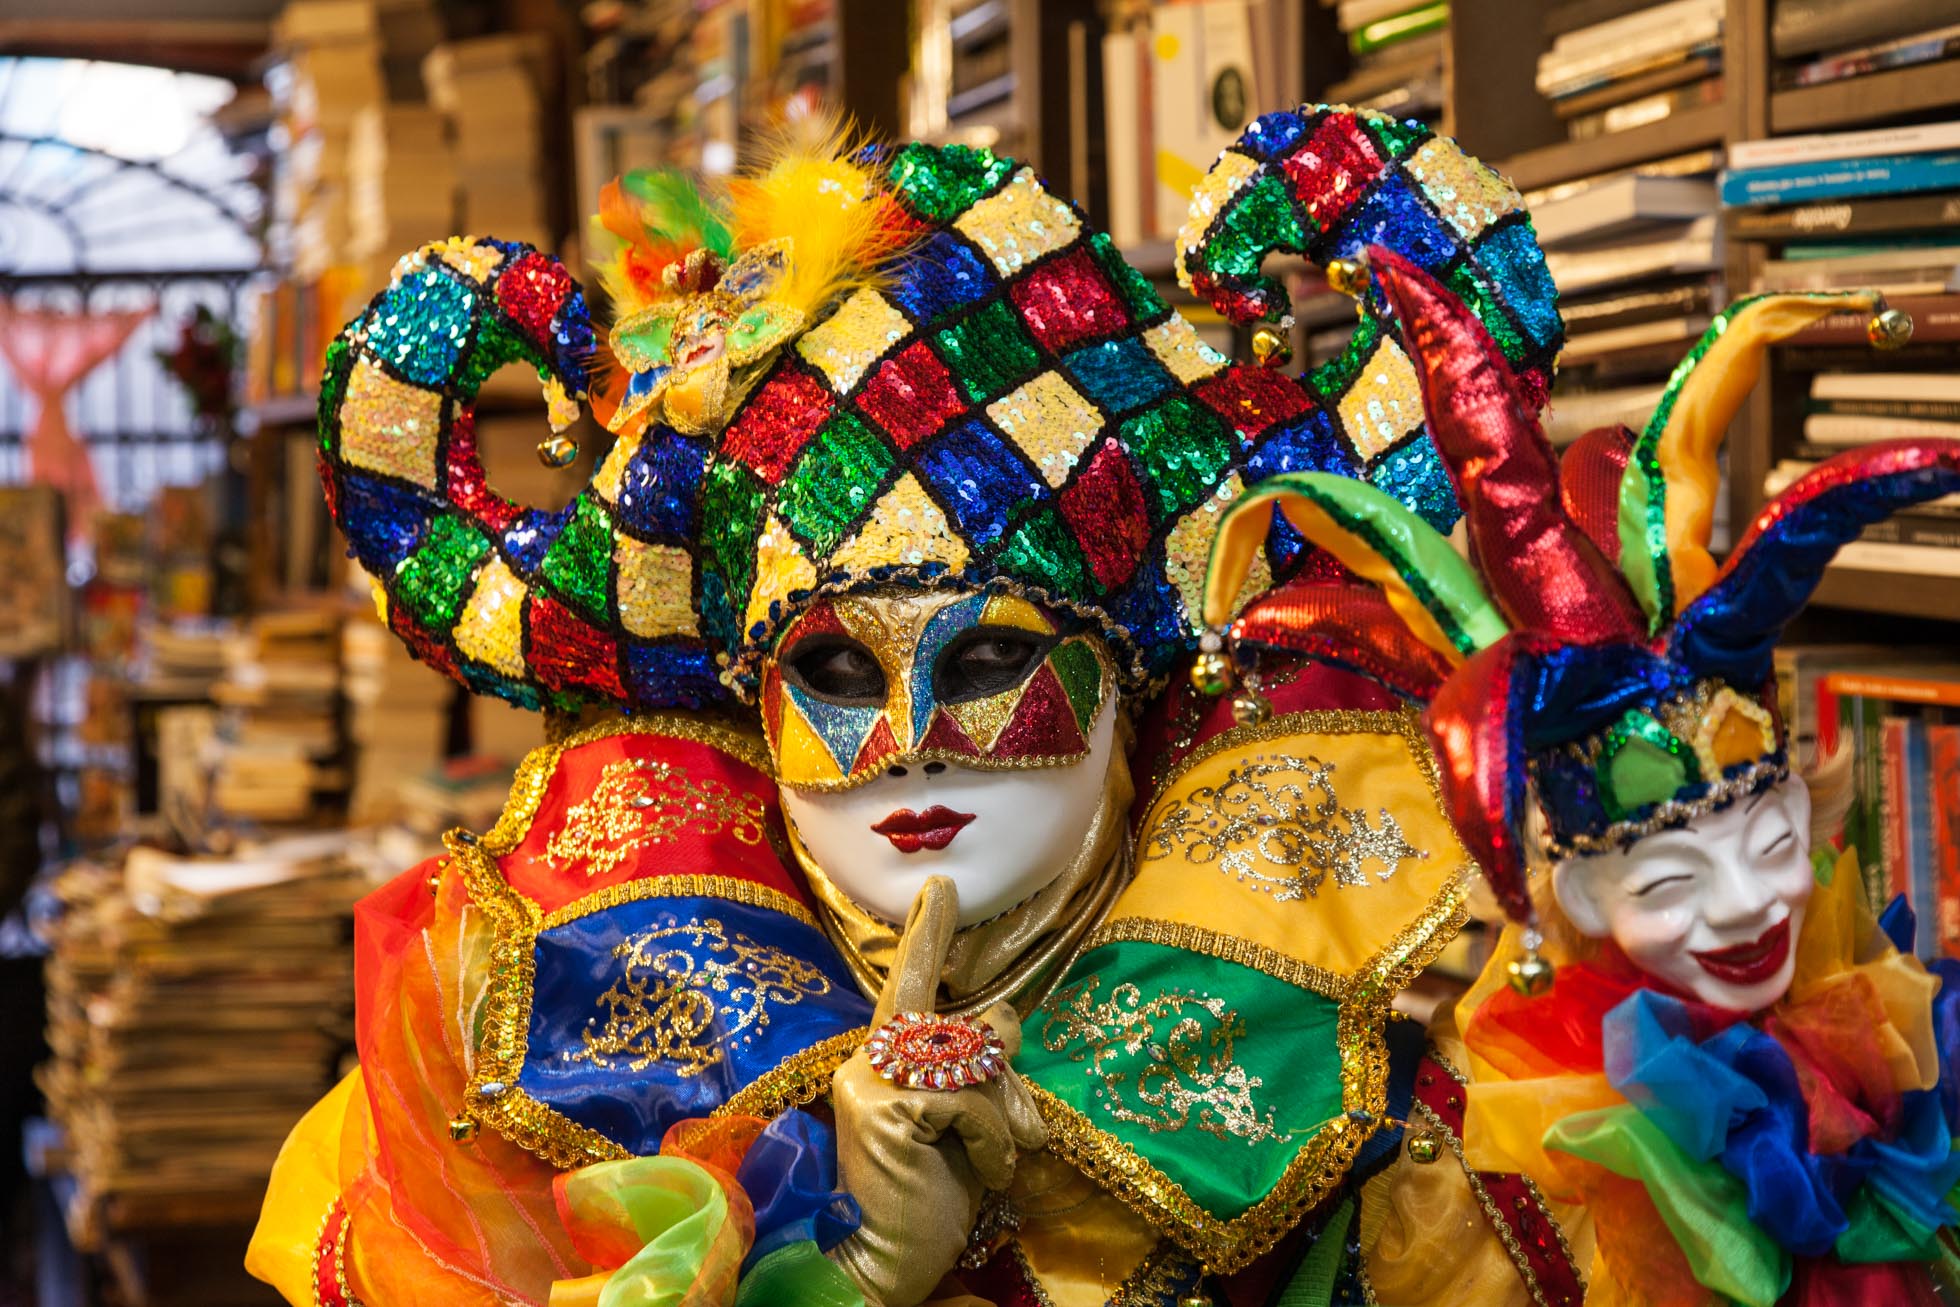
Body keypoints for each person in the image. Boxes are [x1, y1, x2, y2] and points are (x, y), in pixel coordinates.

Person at [247, 107, 1585, 1305]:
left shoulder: (1377, 1107)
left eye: (993, 662)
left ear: (1126, 669)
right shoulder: (523, 1096)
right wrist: (853, 1270)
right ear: (744, 700)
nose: (912, 739)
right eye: (831, 674)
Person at [1200, 247, 1960, 1306]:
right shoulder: (1498, 1161)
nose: (1744, 903)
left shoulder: (1885, 1028)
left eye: (1773, 845)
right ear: (1570, 892)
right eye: (1667, 884)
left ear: (1806, 806)